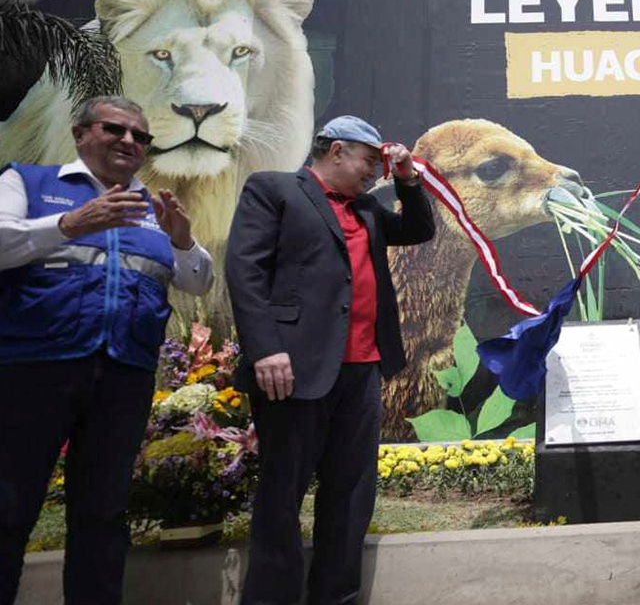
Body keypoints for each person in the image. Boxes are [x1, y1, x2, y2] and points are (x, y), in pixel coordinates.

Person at [0, 95, 213, 605]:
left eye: (140, 136)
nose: (129, 142)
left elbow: (198, 282)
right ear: (80, 134)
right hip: (33, 373)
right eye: (115, 130)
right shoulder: (27, 182)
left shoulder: (154, 208)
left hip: (123, 378)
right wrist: (70, 224)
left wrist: (183, 241)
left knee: (102, 514)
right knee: (9, 508)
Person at [226, 115, 436, 605]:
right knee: (282, 495)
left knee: (351, 493)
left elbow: (419, 229)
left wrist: (407, 178)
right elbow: (244, 268)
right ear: (336, 150)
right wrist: (265, 347)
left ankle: (335, 597)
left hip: (361, 369)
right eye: (369, 162)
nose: (374, 173)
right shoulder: (274, 189)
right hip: (292, 369)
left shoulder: (367, 209)